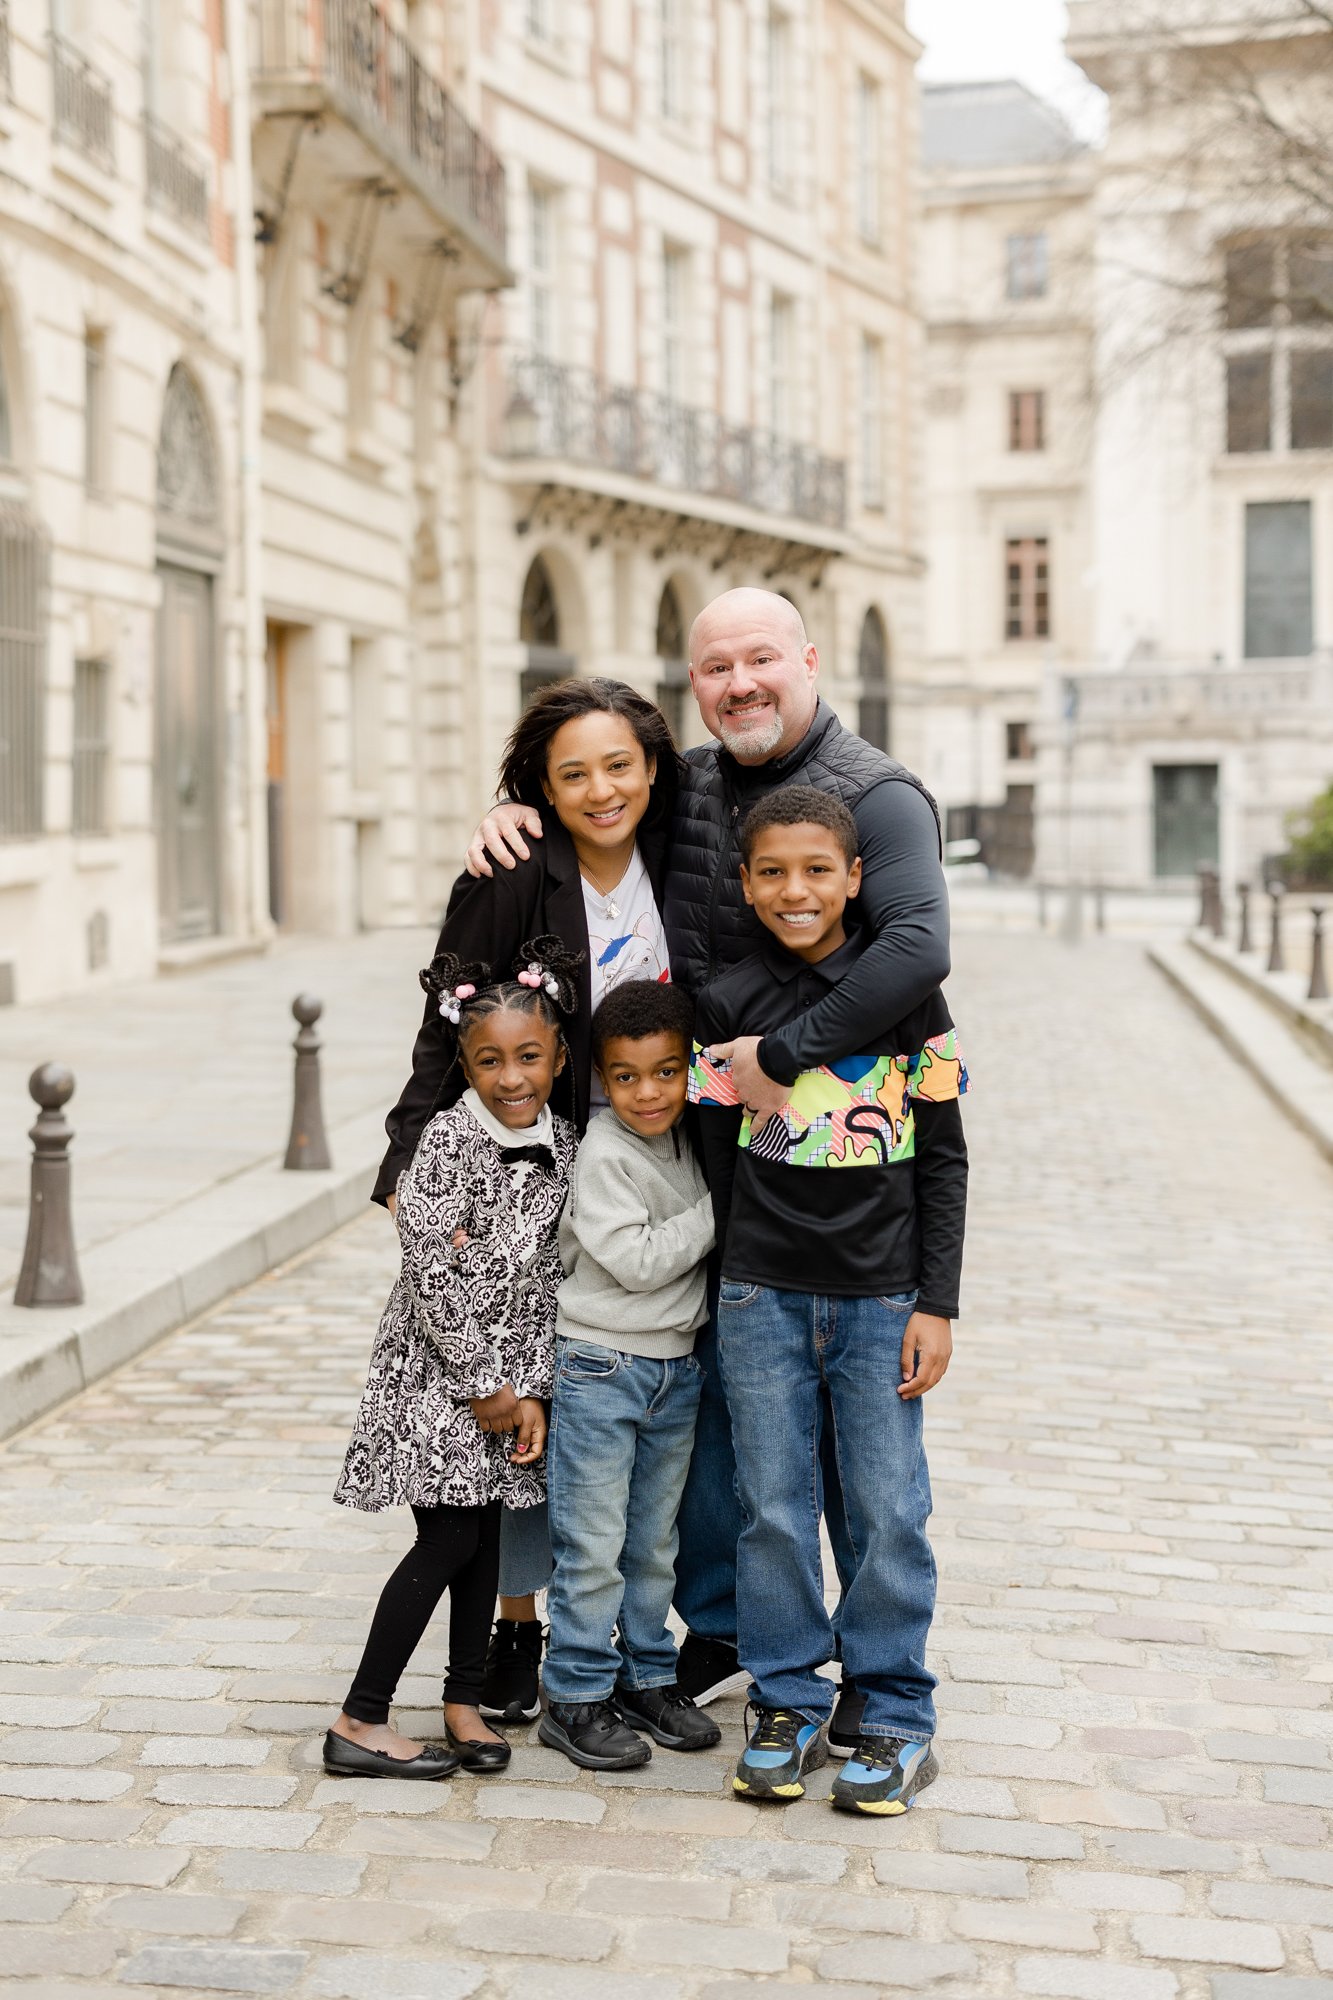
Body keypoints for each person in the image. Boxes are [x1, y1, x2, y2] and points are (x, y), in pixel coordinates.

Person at [463, 587, 951, 1717]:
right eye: (716, 666)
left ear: (810, 660)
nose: (739, 683)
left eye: (761, 659)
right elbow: (594, 781)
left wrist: (785, 1049)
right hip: (692, 1153)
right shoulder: (684, 780)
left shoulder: (876, 796)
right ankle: (730, 1632)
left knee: (858, 1462)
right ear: (694, 683)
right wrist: (503, 815)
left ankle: (876, 1683)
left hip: (839, 1181)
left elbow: (919, 947)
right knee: (731, 1431)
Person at [372, 679, 678, 1725]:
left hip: (652, 1153)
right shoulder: (512, 870)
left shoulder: (681, 859)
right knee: (523, 1386)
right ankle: (518, 1624)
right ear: (538, 788)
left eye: (618, 764)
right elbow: (440, 1022)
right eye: (572, 772)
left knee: (613, 1398)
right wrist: (410, 1158)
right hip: (532, 1169)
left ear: (652, 767)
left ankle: (638, 1633)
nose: (601, 789)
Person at [689, 787, 968, 1814]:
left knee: (888, 1502)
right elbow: (717, 1159)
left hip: (880, 1297)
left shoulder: (904, 999)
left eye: (817, 869)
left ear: (855, 877)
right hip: (760, 1293)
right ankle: (787, 1696)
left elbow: (943, 1159)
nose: (794, 889)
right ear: (745, 882)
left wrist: (934, 1301)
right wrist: (729, 1283)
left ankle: (893, 1707)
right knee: (769, 1504)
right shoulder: (722, 1002)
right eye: (772, 871)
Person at [326, 939, 580, 1780]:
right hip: (438, 1382)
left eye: (528, 1057)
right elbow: (430, 1272)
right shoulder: (445, 1140)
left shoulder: (567, 1146)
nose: (511, 1078)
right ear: (464, 1064)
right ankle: (360, 1719)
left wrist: (530, 1391)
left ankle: (464, 1701)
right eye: (488, 1061)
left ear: (558, 1056)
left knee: (485, 1538)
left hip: (510, 1389)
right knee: (445, 1541)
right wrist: (484, 1385)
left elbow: (551, 1281)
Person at [539, 980, 720, 1771]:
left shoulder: (690, 1138)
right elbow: (641, 1263)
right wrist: (727, 1205)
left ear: (689, 1070)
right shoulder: (606, 1154)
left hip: (674, 1371)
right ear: (600, 1079)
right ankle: (574, 1692)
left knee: (653, 1543)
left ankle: (648, 1676)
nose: (647, 1093)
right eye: (625, 1076)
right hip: (599, 1366)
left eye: (666, 1072)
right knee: (593, 1540)